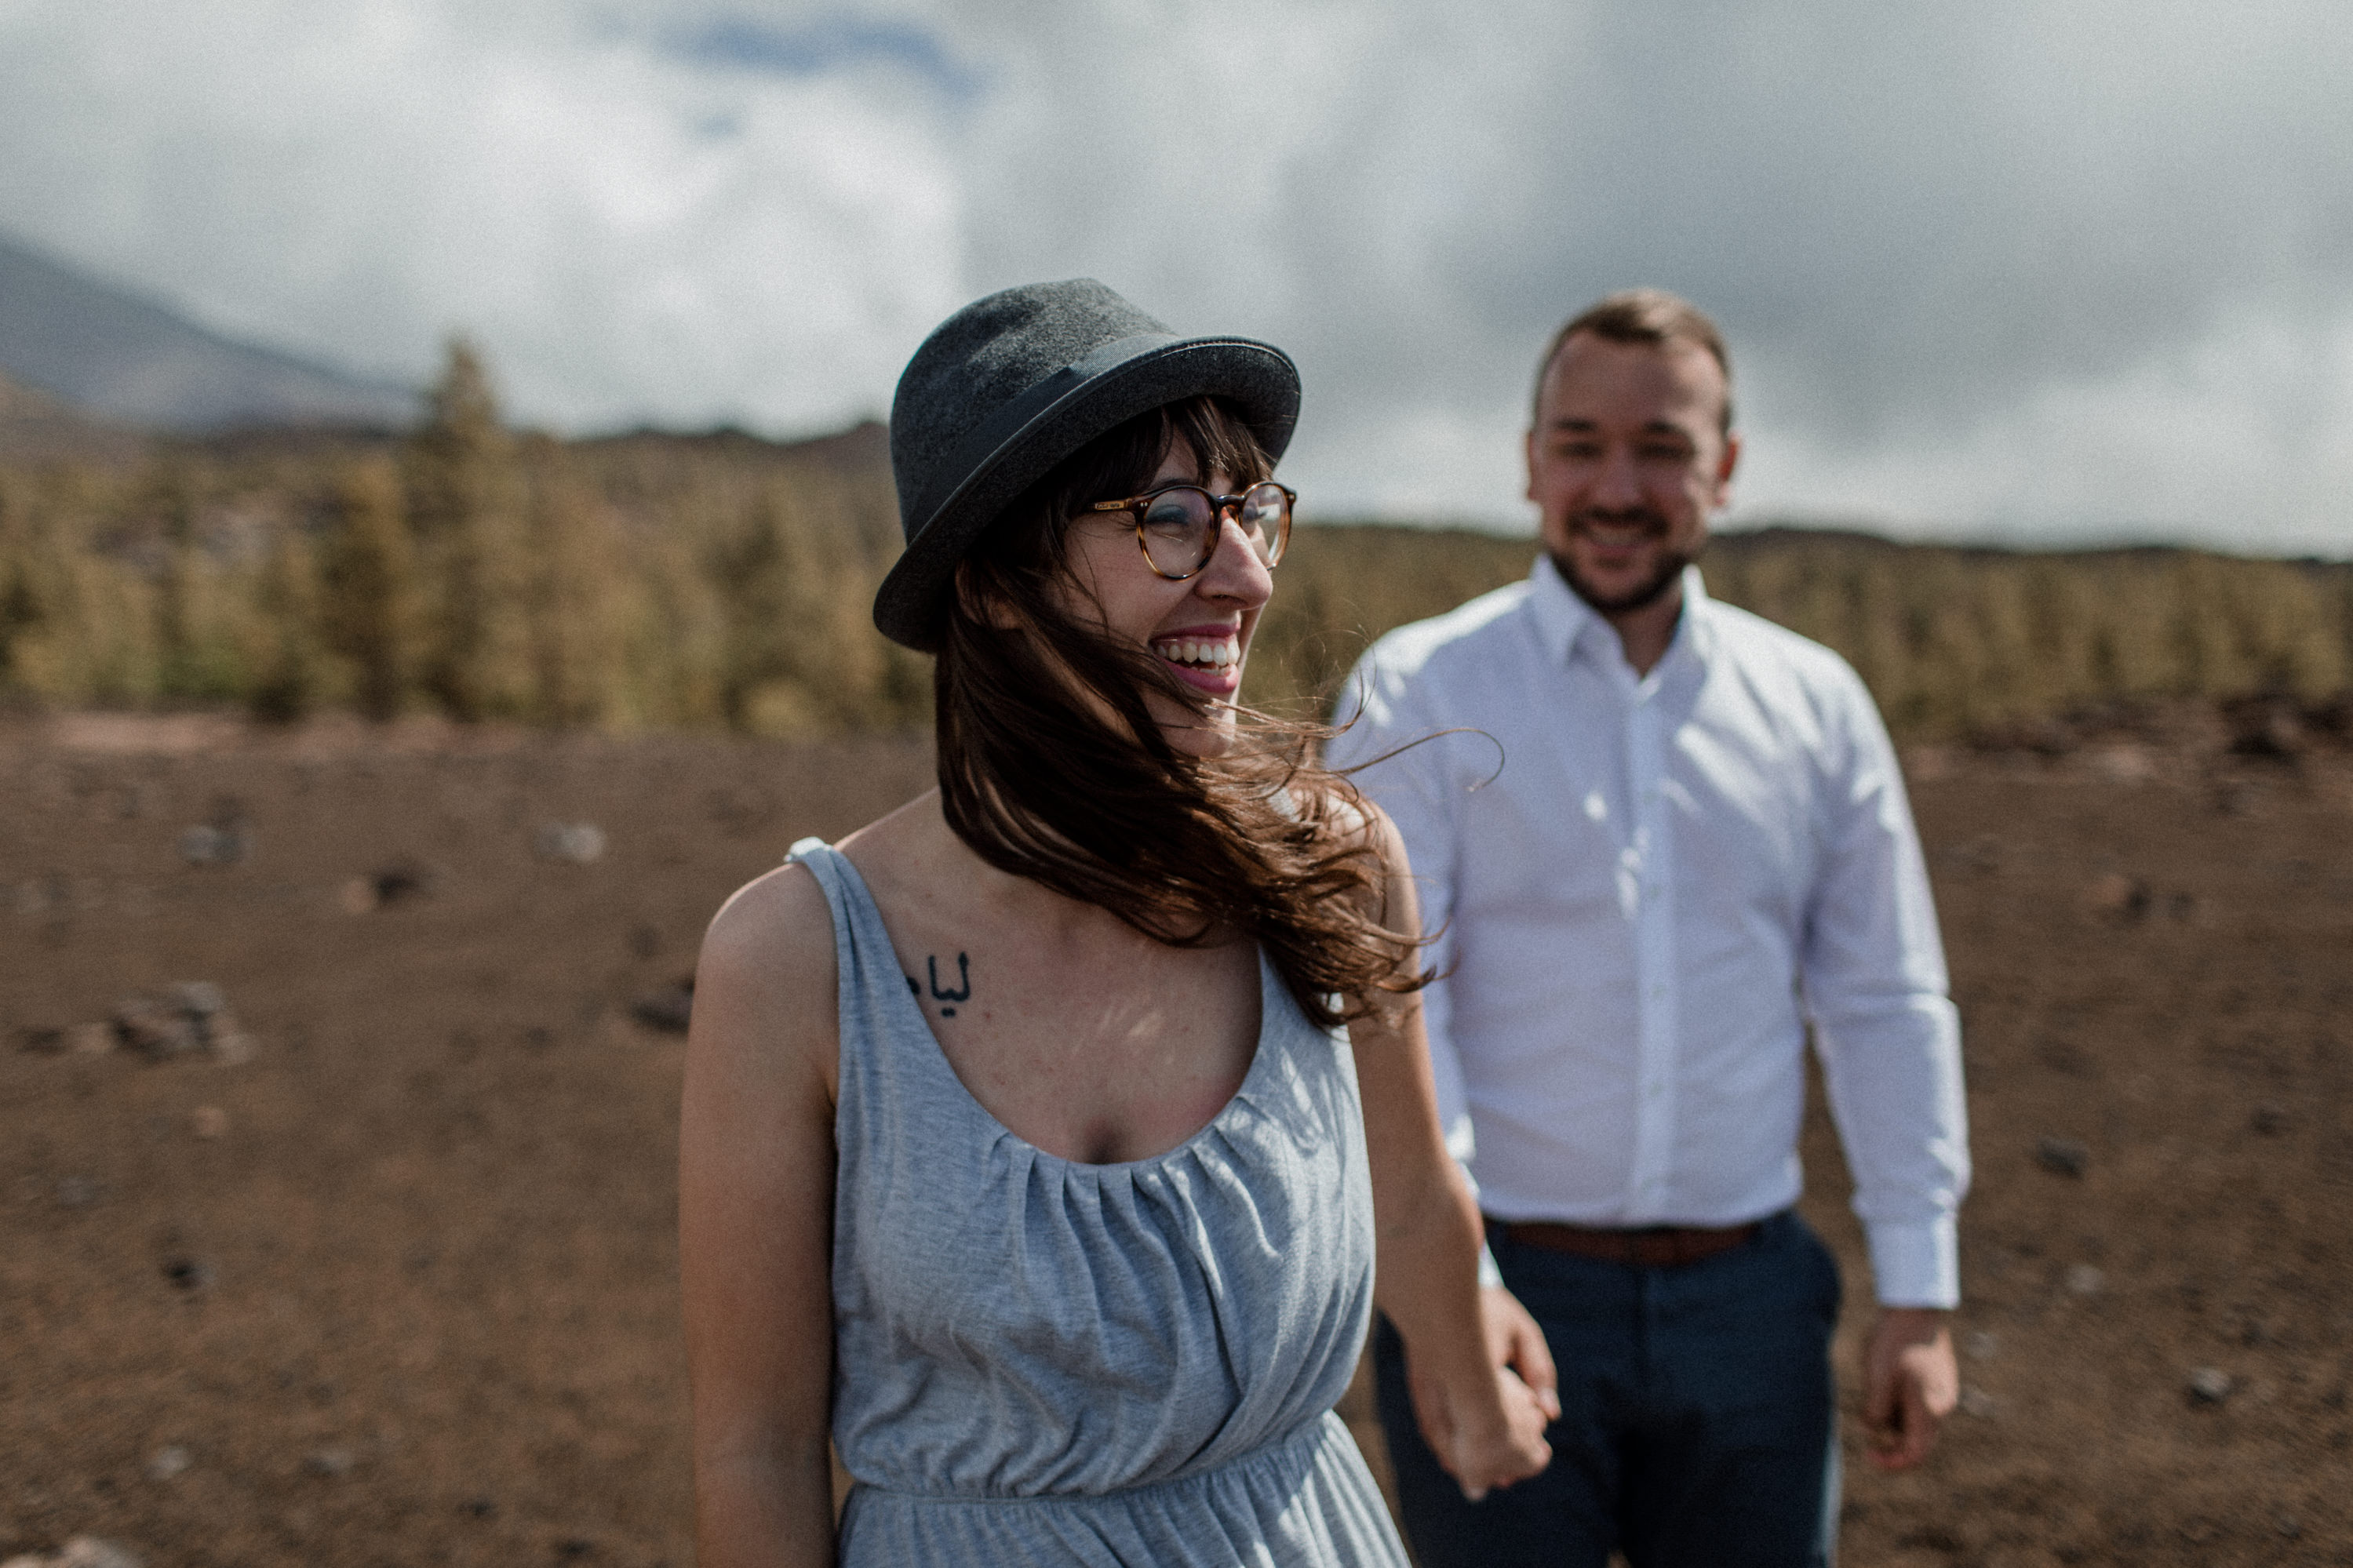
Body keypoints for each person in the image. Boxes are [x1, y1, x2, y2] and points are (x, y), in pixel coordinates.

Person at [679, 279, 1554, 1567]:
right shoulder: (799, 962)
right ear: (990, 589)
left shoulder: (1329, 869)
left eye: (1252, 511)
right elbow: (753, 1447)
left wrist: (1475, 1377)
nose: (1247, 574)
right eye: (1167, 520)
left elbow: (1417, 1199)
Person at [1328, 288, 1971, 1568]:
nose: (1617, 486)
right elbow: (1396, 1006)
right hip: (1504, 1280)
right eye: (1580, 445)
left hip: (1756, 1306)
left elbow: (1883, 998)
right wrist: (1460, 1296)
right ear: (1530, 463)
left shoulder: (1816, 707)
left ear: (1723, 471)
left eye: (1662, 449)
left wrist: (1920, 1288)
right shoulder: (1421, 691)